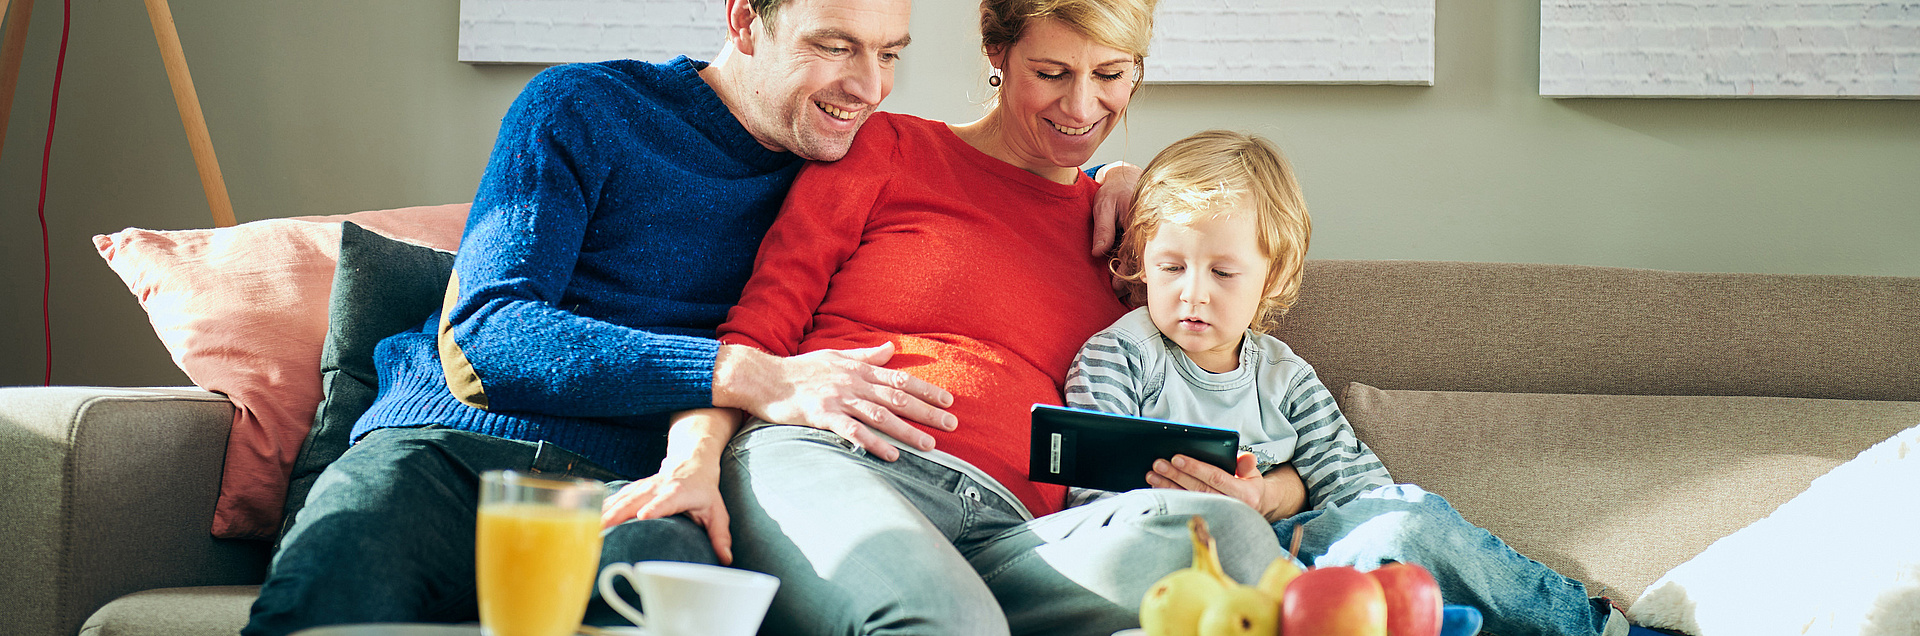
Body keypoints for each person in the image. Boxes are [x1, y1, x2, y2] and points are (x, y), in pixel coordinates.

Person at [243, 0, 947, 633]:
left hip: (641, 490)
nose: (872, 86)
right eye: (834, 46)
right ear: (742, 21)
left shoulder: (857, 182)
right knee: (318, 610)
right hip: (444, 456)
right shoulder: (584, 106)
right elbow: (486, 336)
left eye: (889, 53)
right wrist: (744, 372)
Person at [693, 1, 1283, 635]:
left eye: (1111, 75)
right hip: (840, 456)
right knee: (948, 619)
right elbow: (761, 327)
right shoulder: (888, 149)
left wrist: (1256, 488)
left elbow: (1215, 381)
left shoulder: (1137, 238)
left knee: (1234, 543)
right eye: (1052, 73)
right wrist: (694, 459)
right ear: (997, 54)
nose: (1083, 108)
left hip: (1019, 533)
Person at [1063, 129, 1631, 636]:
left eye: (1223, 272)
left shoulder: (1283, 375)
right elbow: (1088, 508)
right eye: (1170, 267)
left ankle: (1589, 624)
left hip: (1302, 570)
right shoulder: (1120, 357)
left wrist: (1267, 497)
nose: (1193, 292)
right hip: (1174, 569)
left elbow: (1365, 499)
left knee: (1409, 521)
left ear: (1272, 278)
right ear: (1140, 260)